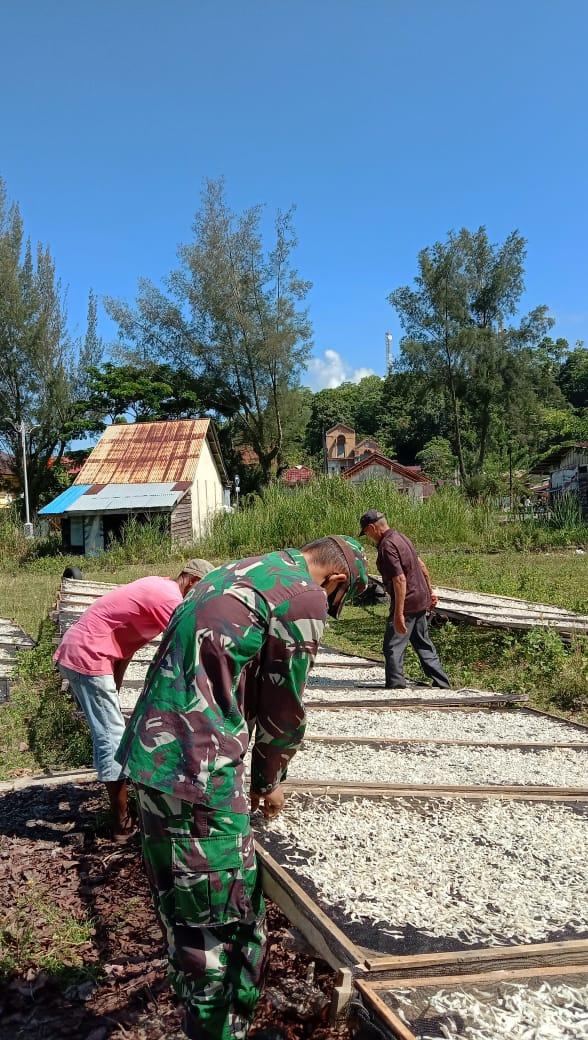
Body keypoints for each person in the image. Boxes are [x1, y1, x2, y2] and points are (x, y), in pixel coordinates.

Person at [116, 536, 368, 1040]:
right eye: (340, 601)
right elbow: (283, 703)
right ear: (337, 581)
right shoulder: (304, 594)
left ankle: (199, 1019)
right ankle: (218, 1030)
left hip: (154, 759)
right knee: (226, 924)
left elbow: (235, 671)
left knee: (184, 913)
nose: (330, 609)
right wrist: (270, 781)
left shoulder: (241, 571)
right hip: (197, 774)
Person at [54, 559, 214, 837]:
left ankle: (126, 808)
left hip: (85, 652)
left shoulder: (159, 587)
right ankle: (121, 823)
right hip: (87, 656)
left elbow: (124, 644)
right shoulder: (171, 599)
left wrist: (114, 686)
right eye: (201, 593)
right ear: (192, 581)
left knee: (113, 731)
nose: (200, 601)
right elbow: (189, 647)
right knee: (111, 737)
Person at [359, 509, 450, 689]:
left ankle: (396, 686)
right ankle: (442, 683)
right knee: (422, 642)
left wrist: (399, 614)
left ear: (372, 528)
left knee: (392, 645)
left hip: (407, 601)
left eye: (366, 533)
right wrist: (430, 592)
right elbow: (422, 566)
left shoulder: (386, 546)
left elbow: (399, 579)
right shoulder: (401, 537)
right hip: (420, 598)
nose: (367, 537)